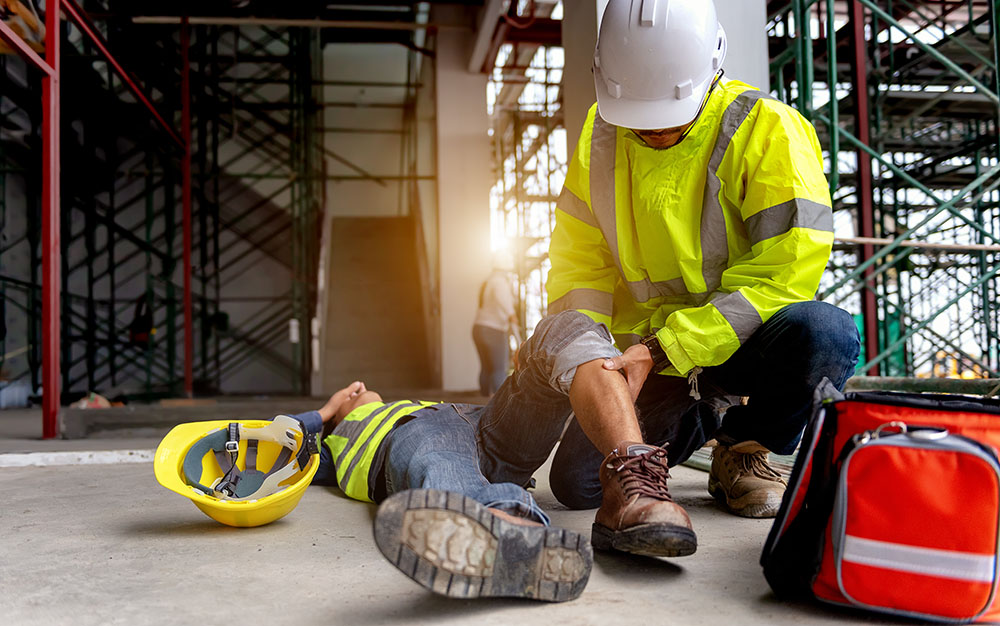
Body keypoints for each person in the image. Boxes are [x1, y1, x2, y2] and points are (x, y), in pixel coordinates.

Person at [519, 0, 860, 523]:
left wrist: (665, 348)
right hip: (645, 357)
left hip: (737, 343)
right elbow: (579, 265)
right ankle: (706, 414)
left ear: (711, 72)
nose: (654, 134)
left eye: (670, 121)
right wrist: (588, 359)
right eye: (640, 121)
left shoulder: (768, 129)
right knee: (580, 485)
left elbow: (785, 274)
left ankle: (746, 449)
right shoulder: (601, 134)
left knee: (825, 333)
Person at [472, 254, 520, 396]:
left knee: (486, 368)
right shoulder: (499, 281)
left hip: (478, 328)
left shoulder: (488, 281)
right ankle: (500, 405)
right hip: (494, 329)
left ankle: (482, 401)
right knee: (499, 369)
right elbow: (502, 298)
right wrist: (512, 315)